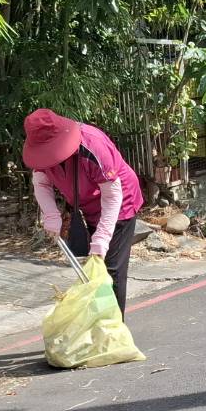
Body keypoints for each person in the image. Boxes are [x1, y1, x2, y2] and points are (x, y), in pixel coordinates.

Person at [23, 109, 144, 317]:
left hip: (120, 203)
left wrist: (102, 238)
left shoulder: (92, 144)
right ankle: (98, 322)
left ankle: (113, 329)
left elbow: (112, 195)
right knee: (94, 268)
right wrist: (51, 215)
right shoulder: (40, 153)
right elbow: (41, 183)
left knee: (111, 269)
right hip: (88, 206)